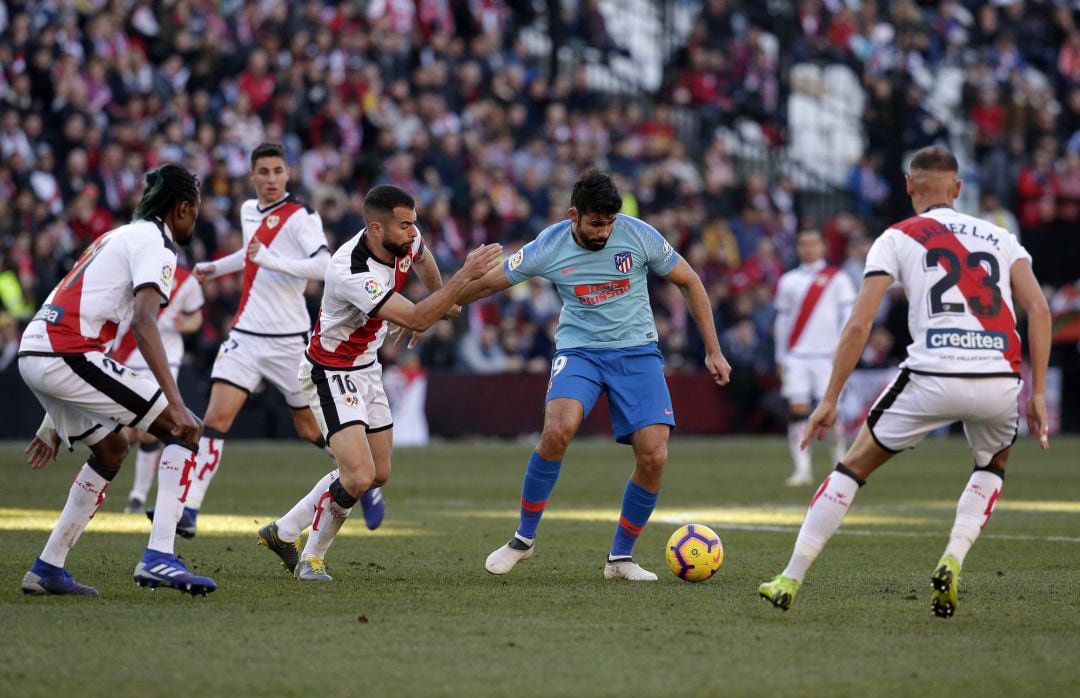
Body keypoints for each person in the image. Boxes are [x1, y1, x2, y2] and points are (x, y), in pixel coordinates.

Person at [758, 146, 1051, 618]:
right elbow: (1038, 308)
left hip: (932, 374)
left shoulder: (895, 237)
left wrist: (830, 399)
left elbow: (859, 325)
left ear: (910, 186)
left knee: (852, 468)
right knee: (992, 465)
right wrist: (1035, 393)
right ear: (957, 190)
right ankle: (953, 557)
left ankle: (790, 577)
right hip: (998, 378)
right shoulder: (1001, 236)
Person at [458, 169, 732, 581]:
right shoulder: (548, 245)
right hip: (580, 350)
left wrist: (714, 349)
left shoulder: (638, 235)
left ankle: (620, 559)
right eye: (595, 223)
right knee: (557, 431)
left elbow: (690, 281)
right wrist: (434, 309)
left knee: (655, 455)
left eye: (609, 223)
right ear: (574, 215)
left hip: (637, 351)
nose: (603, 232)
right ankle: (522, 540)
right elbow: (487, 285)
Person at [257, 185, 501, 581]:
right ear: (375, 228)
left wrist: (437, 297)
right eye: (405, 226)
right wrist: (454, 287)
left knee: (378, 473)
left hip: (366, 367)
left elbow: (423, 260)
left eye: (413, 223)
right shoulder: (352, 271)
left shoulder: (405, 239)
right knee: (357, 476)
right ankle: (311, 559)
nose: (412, 232)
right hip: (331, 371)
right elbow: (418, 319)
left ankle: (282, 531)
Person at [155, 142, 383, 538]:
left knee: (309, 430)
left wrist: (269, 261)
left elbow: (323, 263)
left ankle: (359, 477)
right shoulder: (248, 210)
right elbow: (253, 251)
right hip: (246, 335)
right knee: (215, 419)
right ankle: (189, 510)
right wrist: (219, 267)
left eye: (278, 171)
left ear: (288, 174)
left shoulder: (301, 216)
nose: (272, 179)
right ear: (253, 176)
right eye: (264, 172)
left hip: (290, 340)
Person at [18, 163, 215, 596]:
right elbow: (145, 322)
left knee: (111, 448)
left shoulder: (118, 235)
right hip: (66, 350)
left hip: (39, 348)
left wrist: (52, 419)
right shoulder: (157, 244)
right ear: (182, 208)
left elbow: (86, 309)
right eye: (195, 213)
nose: (194, 222)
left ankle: (48, 567)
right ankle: (160, 556)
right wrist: (175, 403)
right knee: (185, 429)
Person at [111, 262, 204, 514]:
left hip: (164, 362)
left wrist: (186, 324)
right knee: (123, 432)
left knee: (150, 430)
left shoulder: (186, 281)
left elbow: (196, 316)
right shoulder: (134, 271)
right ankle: (95, 489)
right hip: (125, 358)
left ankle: (137, 496)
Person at [773, 228, 857, 486]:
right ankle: (802, 469)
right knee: (797, 411)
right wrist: (781, 356)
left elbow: (849, 318)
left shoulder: (838, 278)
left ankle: (840, 463)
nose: (808, 248)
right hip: (797, 356)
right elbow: (782, 322)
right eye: (803, 243)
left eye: (813, 243)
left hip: (827, 356)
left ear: (823, 246)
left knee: (831, 413)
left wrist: (844, 352)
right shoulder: (788, 280)